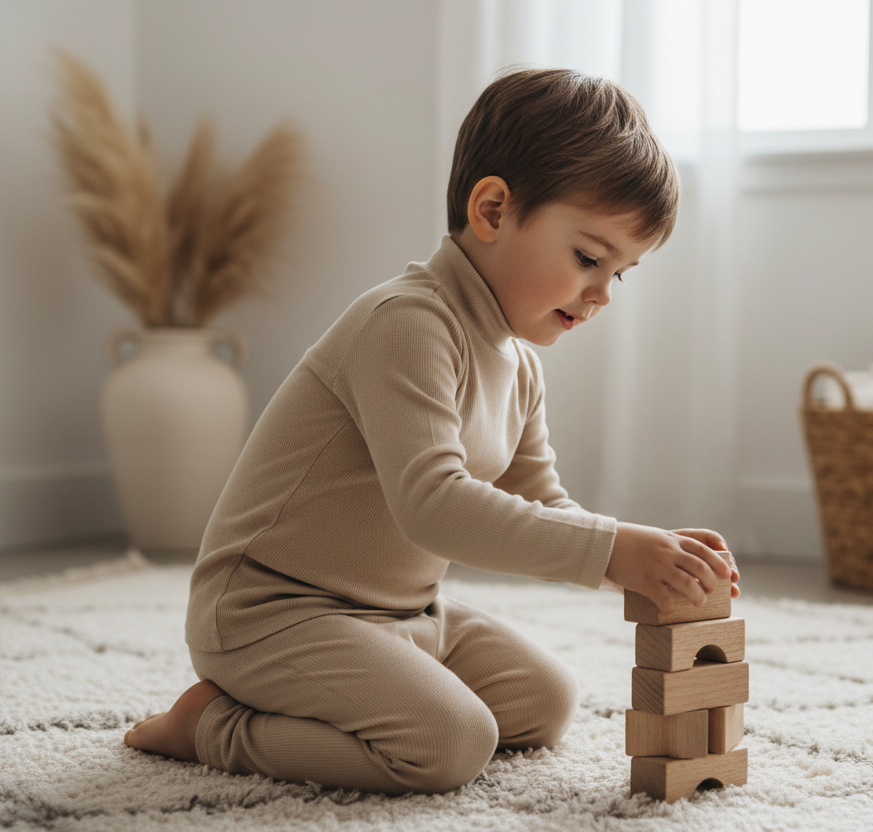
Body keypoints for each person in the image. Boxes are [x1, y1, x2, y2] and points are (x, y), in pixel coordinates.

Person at [123, 67, 740, 795]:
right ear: (492, 209)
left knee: (546, 702)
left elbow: (542, 506)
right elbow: (435, 505)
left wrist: (646, 554)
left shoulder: (519, 365)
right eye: (588, 258)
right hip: (270, 612)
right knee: (451, 744)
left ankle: (361, 689)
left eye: (622, 273)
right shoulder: (407, 323)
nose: (603, 293)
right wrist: (610, 552)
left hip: (403, 614)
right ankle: (209, 725)